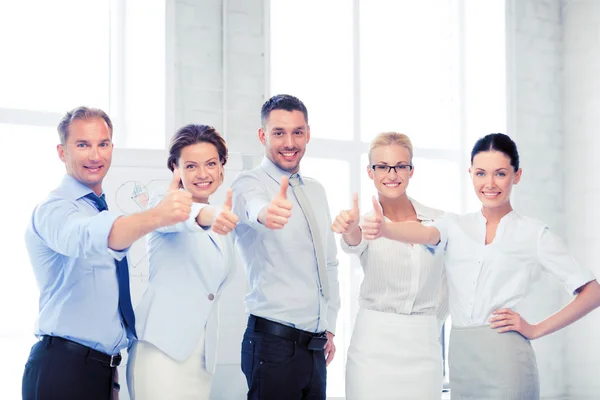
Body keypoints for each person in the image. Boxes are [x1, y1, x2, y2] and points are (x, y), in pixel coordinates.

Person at [361, 133, 600, 399]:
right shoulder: (454, 225)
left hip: (506, 357)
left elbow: (593, 291)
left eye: (500, 173)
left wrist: (535, 329)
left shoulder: (534, 234)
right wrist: (387, 230)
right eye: (481, 173)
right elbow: (424, 234)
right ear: (470, 174)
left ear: (516, 175)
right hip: (461, 357)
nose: (489, 183)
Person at [22, 106, 194, 400]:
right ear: (62, 152)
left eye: (102, 144)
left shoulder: (98, 209)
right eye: (82, 145)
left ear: (112, 148)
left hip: (100, 372)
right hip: (64, 369)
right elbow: (89, 235)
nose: (95, 155)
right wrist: (158, 215)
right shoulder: (54, 210)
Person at [231, 94, 341, 400]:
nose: (289, 142)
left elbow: (329, 263)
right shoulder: (247, 184)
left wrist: (328, 325)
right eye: (279, 133)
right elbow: (254, 208)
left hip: (316, 348)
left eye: (297, 132)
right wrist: (267, 214)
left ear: (307, 133)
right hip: (273, 345)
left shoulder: (316, 191)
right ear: (262, 135)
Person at [331, 132, 447, 400]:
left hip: (424, 347)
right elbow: (354, 241)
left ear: (411, 170)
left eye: (400, 166)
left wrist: (431, 322)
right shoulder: (365, 223)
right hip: (373, 346)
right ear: (370, 172)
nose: (391, 174)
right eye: (382, 166)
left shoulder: (439, 221)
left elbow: (451, 281)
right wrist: (349, 229)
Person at [126, 124, 239, 399]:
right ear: (175, 170)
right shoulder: (162, 205)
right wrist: (209, 214)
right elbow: (185, 217)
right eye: (191, 166)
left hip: (200, 358)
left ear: (222, 168)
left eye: (211, 163)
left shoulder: (224, 225)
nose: (203, 174)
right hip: (160, 353)